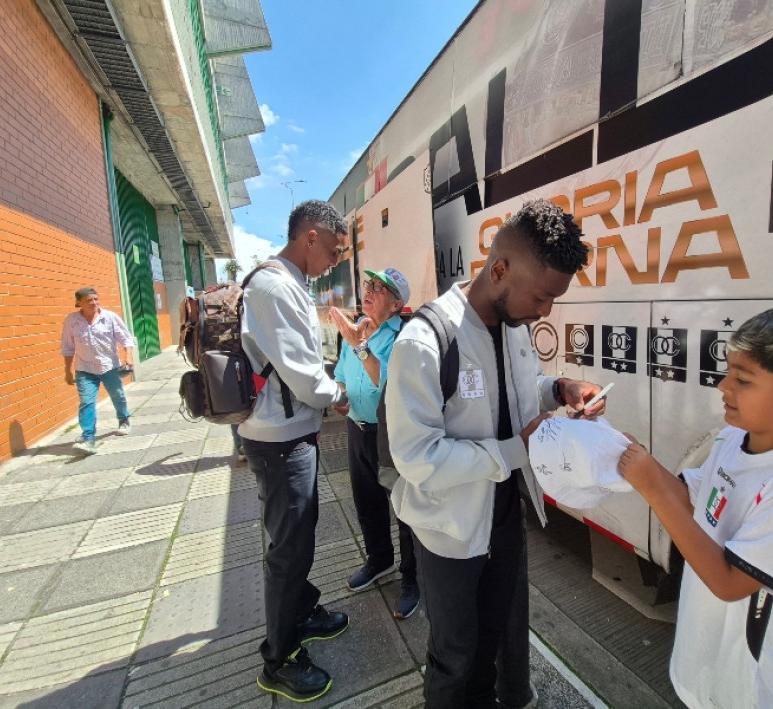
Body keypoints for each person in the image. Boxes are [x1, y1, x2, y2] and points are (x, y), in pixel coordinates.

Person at [385, 199, 606, 708]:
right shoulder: (425, 341)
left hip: (505, 521)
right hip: (450, 534)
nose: (546, 310)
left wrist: (561, 389)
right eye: (542, 296)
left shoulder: (514, 324)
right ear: (500, 270)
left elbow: (520, 391)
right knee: (454, 656)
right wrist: (515, 449)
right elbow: (417, 457)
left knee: (489, 647)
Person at [617, 304, 773, 709]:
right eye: (728, 372)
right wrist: (632, 456)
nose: (723, 386)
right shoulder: (733, 439)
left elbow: (730, 583)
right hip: (705, 667)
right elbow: (692, 500)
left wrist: (653, 491)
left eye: (742, 380)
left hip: (755, 687)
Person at [238, 199, 352, 703]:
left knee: (299, 537)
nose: (336, 260)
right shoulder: (274, 285)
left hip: (288, 433)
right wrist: (338, 396)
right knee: (288, 550)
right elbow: (304, 374)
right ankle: (278, 660)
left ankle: (302, 613)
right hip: (278, 442)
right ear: (310, 236)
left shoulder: (289, 283)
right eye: (333, 249)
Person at [329, 267, 420, 620]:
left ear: (396, 304)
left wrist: (359, 345)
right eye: (369, 284)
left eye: (380, 288)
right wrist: (339, 397)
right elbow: (340, 376)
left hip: (390, 435)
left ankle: (412, 580)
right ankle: (380, 561)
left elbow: (388, 385)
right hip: (357, 429)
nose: (369, 290)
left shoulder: (406, 336)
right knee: (366, 503)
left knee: (405, 510)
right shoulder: (355, 329)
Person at [60, 287, 135, 455]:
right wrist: (67, 370)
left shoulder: (109, 317)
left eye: (96, 299)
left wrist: (128, 357)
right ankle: (88, 438)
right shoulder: (71, 321)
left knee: (117, 395)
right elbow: (67, 347)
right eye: (89, 300)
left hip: (109, 366)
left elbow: (126, 338)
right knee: (87, 402)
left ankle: (123, 419)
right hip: (84, 369)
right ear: (79, 302)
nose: (94, 303)